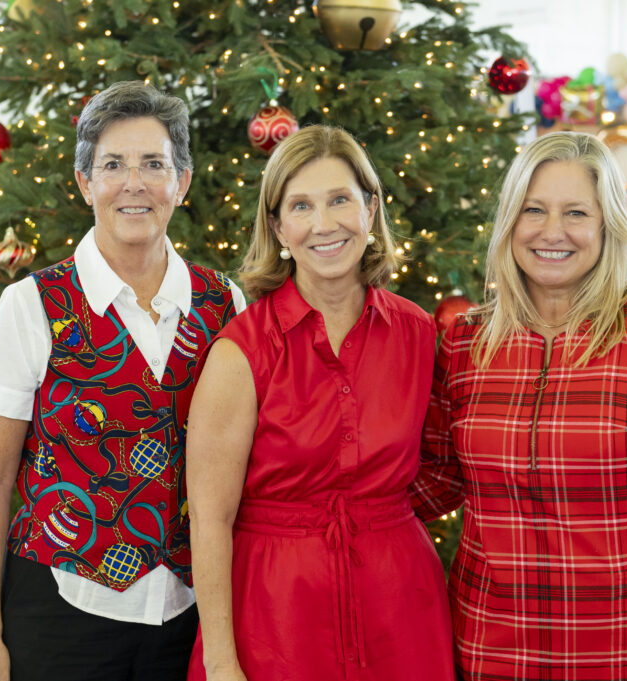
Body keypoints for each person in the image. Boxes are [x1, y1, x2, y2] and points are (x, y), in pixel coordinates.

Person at [411, 131, 627, 681]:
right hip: (489, 640)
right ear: (509, 223)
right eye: (533, 211)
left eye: (575, 213)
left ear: (606, 223)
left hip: (626, 642)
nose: (552, 232)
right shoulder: (467, 340)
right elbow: (439, 479)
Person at [0, 80, 246, 681]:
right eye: (112, 164)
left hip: (193, 615)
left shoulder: (226, 304)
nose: (134, 183)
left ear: (182, 182)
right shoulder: (30, 305)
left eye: (154, 164)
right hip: (62, 609)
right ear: (86, 182)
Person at [185, 125, 454, 681]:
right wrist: (220, 659)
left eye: (340, 200)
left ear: (371, 209)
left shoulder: (418, 332)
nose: (324, 224)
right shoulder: (242, 351)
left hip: (399, 601)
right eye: (301, 206)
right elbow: (210, 520)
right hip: (274, 610)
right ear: (279, 225)